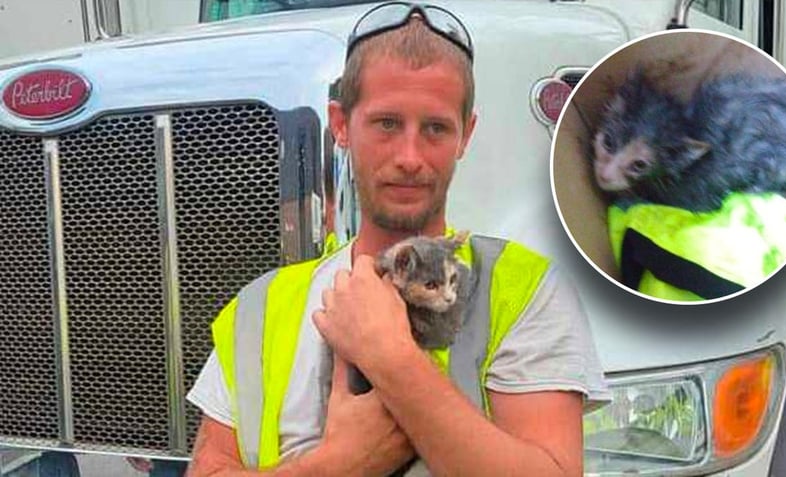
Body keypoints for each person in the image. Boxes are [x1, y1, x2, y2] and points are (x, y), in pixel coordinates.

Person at [186, 2, 610, 476]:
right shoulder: (259, 308)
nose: (410, 156)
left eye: (435, 128)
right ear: (341, 124)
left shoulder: (524, 289)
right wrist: (339, 466)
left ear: (465, 135)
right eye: (387, 124)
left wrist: (389, 356)